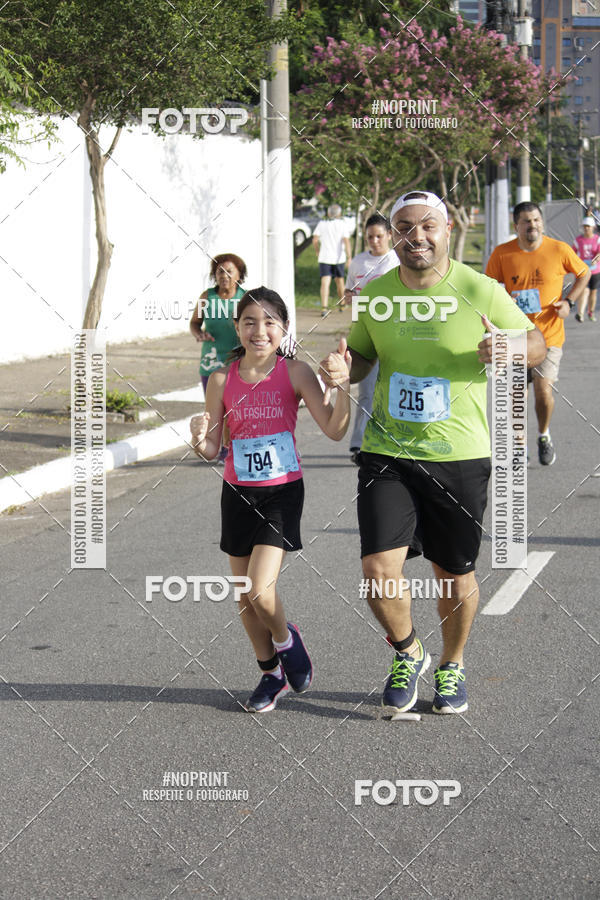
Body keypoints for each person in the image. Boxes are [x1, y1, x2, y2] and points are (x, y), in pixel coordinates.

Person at [320, 191, 545, 715]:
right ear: (393, 235)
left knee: (454, 573)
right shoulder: (376, 293)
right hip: (388, 451)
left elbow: (535, 343)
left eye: (427, 226)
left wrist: (508, 348)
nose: (415, 236)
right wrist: (343, 368)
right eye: (404, 226)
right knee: (378, 570)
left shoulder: (479, 288)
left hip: (459, 453)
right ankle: (408, 651)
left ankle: (451, 663)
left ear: (447, 231)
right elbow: (361, 356)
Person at [190, 287, 351, 713]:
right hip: (237, 492)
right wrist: (198, 438)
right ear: (237, 327)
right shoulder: (222, 380)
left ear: (284, 328)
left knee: (261, 590)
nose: (259, 331)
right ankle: (270, 673)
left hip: (281, 492)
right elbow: (212, 448)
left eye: (269, 323)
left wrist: (343, 387)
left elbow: (335, 429)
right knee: (245, 596)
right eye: (249, 322)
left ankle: (286, 640)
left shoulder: (295, 373)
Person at [486, 202, 590, 466]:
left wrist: (569, 302)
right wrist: (500, 305)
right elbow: (488, 287)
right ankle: (520, 445)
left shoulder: (559, 249)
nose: (532, 225)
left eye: (535, 220)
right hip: (515, 338)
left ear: (542, 222)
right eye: (526, 221)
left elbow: (584, 273)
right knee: (517, 396)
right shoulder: (502, 253)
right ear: (516, 226)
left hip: (549, 337)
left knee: (543, 392)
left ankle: (544, 434)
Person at [345, 214, 398, 465]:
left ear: (389, 235)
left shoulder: (397, 261)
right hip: (364, 333)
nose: (375, 241)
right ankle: (359, 445)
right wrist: (349, 298)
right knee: (366, 392)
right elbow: (349, 291)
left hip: (393, 334)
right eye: (370, 237)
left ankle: (392, 442)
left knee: (391, 390)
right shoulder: (358, 262)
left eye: (379, 236)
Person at [190, 253, 247, 462]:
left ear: (239, 275)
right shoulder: (207, 297)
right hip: (211, 362)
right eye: (219, 272)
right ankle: (221, 448)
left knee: (233, 408)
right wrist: (199, 334)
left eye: (229, 271)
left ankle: (229, 447)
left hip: (238, 362)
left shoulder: (245, 299)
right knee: (215, 409)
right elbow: (194, 323)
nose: (224, 276)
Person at [312, 204, 352, 316]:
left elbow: (315, 240)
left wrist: (317, 251)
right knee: (340, 282)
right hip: (339, 258)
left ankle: (324, 307)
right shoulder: (342, 224)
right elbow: (346, 241)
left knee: (325, 282)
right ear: (339, 213)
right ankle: (342, 304)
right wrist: (349, 257)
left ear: (328, 213)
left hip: (325, 257)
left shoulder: (322, 223)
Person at [572, 216, 600, 323]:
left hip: (595, 270)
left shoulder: (597, 239)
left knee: (593, 292)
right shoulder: (578, 240)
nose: (586, 228)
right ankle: (580, 313)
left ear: (593, 227)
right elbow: (572, 253)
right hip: (583, 271)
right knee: (584, 290)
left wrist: (596, 259)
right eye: (585, 226)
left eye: (588, 226)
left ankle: (591, 312)